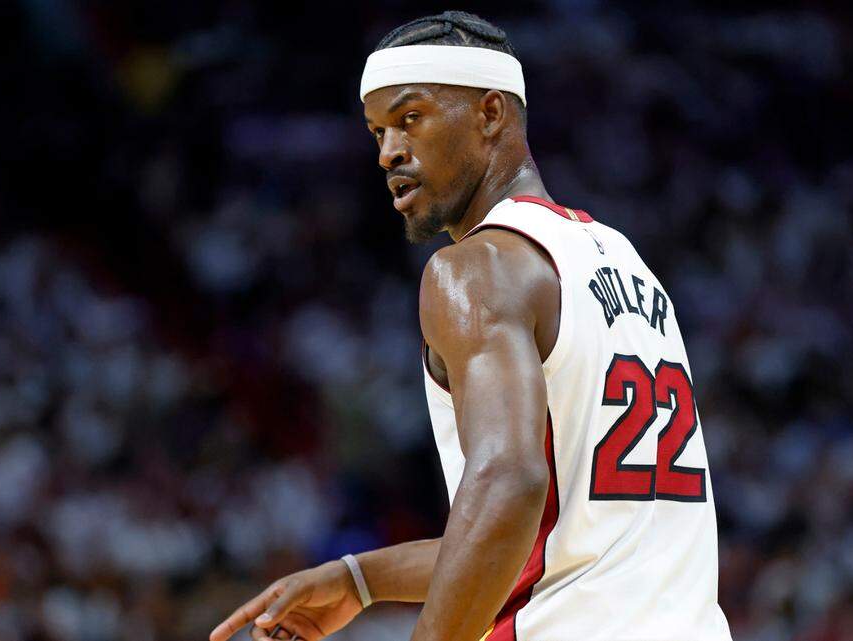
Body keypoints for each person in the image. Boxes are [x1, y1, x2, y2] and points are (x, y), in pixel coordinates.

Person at [210, 11, 731, 641]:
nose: (388, 152)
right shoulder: (626, 262)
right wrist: (360, 579)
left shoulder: (475, 268)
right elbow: (551, 542)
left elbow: (508, 484)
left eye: (410, 118)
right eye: (377, 131)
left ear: (490, 115)